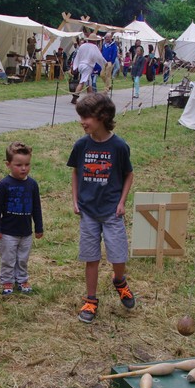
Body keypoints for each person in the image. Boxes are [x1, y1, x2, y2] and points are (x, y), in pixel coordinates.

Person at [68, 92, 136, 323]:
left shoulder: (119, 146)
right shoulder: (81, 145)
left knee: (118, 254)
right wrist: (75, 200)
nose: (82, 121)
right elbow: (75, 172)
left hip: (111, 212)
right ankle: (91, 299)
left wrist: (121, 202)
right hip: (88, 211)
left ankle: (119, 281)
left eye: (86, 117)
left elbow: (128, 175)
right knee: (91, 257)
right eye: (81, 116)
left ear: (103, 117)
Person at [0, 142, 44, 295]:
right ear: (8, 164)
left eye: (27, 164)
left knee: (23, 258)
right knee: (8, 258)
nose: (23, 168)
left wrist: (38, 227)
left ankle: (22, 280)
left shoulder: (32, 185)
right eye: (19, 165)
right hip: (8, 232)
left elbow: (36, 207)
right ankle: (7, 281)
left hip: (26, 232)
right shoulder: (4, 184)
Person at [71, 35, 106, 104]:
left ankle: (90, 99)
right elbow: (99, 57)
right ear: (95, 41)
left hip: (81, 65)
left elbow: (78, 56)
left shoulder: (82, 46)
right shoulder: (94, 47)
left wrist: (75, 65)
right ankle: (74, 98)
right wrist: (105, 63)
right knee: (82, 82)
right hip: (87, 66)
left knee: (89, 83)